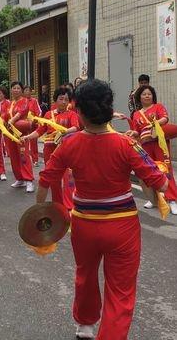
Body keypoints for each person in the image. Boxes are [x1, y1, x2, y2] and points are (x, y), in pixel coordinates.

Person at [36, 79, 168, 340]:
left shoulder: (68, 144)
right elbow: (161, 184)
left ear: (80, 111)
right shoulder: (126, 145)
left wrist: (41, 217)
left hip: (84, 224)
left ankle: (84, 326)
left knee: (85, 274)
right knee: (120, 291)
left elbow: (45, 181)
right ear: (109, 109)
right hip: (122, 227)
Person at [21, 87, 79, 210]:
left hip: (66, 150)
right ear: (55, 100)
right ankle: (58, 206)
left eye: (66, 99)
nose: (63, 101)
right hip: (49, 149)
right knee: (53, 179)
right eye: (61, 99)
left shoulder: (71, 114)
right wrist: (28, 137)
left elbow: (75, 127)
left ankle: (70, 207)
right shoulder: (48, 114)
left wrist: (64, 132)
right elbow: (40, 130)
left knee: (68, 179)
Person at [128, 85, 177, 214]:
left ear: (153, 96)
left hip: (160, 143)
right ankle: (154, 199)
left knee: (166, 170)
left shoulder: (158, 107)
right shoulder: (137, 114)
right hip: (145, 145)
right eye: (144, 94)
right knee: (150, 170)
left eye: (149, 94)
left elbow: (165, 119)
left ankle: (172, 199)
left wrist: (155, 123)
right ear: (139, 97)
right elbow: (136, 131)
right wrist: (132, 133)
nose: (147, 96)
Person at [5, 81, 35, 193]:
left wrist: (12, 121)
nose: (16, 90)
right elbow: (5, 115)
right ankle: (20, 179)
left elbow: (21, 113)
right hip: (11, 133)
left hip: (21, 133)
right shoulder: (10, 103)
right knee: (13, 156)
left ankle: (29, 180)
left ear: (21, 90)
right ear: (11, 90)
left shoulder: (25, 101)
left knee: (23, 156)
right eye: (14, 88)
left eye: (18, 88)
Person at [23, 85, 42, 167]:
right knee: (24, 142)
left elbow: (39, 112)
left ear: (31, 92)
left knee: (33, 143)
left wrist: (36, 119)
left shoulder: (34, 101)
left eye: (28, 90)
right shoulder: (22, 101)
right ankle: (25, 159)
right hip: (23, 125)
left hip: (33, 124)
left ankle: (35, 160)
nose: (27, 92)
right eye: (25, 90)